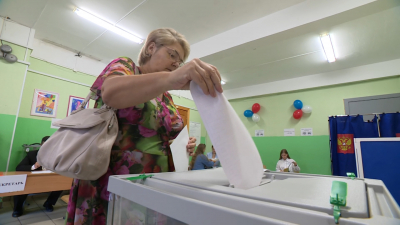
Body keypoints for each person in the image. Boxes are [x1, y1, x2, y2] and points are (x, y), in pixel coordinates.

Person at [66, 28, 223, 225]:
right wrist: (173, 78)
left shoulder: (166, 96)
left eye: (179, 61)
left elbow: (166, 136)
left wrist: (182, 145)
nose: (176, 63)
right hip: (112, 177)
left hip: (154, 182)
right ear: (151, 48)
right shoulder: (126, 66)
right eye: (172, 55)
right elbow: (111, 93)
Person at [12, 136, 62, 217]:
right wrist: (33, 167)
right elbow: (19, 168)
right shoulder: (32, 154)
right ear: (41, 145)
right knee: (21, 186)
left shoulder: (56, 156)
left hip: (49, 179)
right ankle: (18, 209)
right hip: (33, 180)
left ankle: (48, 203)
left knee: (61, 184)